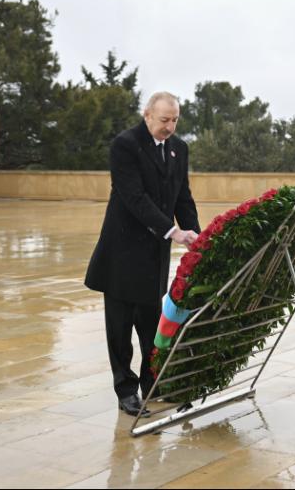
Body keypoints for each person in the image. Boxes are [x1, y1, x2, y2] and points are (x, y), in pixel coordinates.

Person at [85, 91, 200, 417]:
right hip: (121, 253)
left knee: (152, 326)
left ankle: (154, 385)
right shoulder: (125, 145)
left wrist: (197, 236)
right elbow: (134, 198)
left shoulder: (179, 148)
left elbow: (182, 196)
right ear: (147, 114)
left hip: (154, 255)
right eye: (164, 119)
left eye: (175, 119)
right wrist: (173, 231)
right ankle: (126, 390)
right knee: (119, 329)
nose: (170, 126)